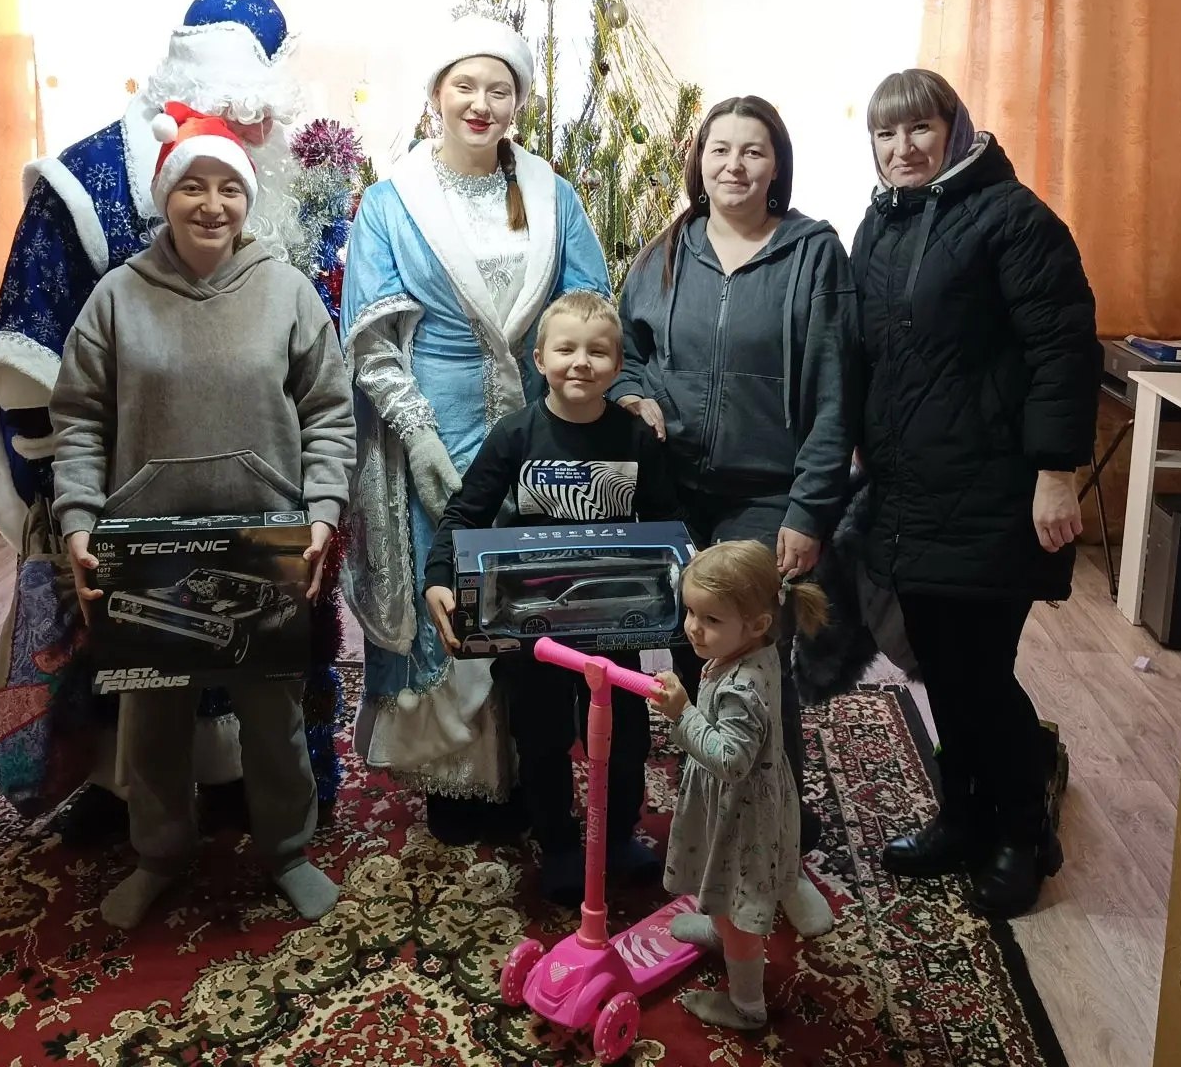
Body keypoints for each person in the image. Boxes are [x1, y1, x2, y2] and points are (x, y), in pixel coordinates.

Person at [0, 0, 317, 835]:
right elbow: (40, 366)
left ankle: (265, 816)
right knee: (142, 681)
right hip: (136, 503)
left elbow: (322, 390)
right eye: (238, 118)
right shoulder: (85, 186)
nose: (251, 141)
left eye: (260, 124)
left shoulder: (291, 219)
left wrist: (319, 497)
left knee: (265, 687)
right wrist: (66, 500)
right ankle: (133, 811)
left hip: (262, 503)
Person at [51, 103, 356, 929]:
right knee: (152, 722)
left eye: (229, 187)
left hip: (265, 543)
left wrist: (322, 511)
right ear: (167, 197)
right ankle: (159, 855)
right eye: (194, 187)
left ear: (247, 199)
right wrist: (78, 519)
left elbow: (329, 414)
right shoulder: (117, 298)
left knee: (273, 716)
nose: (212, 204)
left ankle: (287, 851)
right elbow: (78, 420)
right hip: (146, 550)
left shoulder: (287, 292)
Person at [339, 13, 610, 842]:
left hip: (542, 422)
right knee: (449, 585)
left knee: (536, 589)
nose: (480, 103)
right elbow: (371, 337)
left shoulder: (554, 194)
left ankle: (534, 769)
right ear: (436, 94)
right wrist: (418, 435)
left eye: (499, 88)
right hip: (435, 423)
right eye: (465, 85)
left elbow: (589, 301)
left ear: (519, 100)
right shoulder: (391, 202)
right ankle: (457, 780)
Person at [851, 68, 1099, 919]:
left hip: (995, 490)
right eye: (886, 134)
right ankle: (961, 817)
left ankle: (1023, 834)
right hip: (911, 491)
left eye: (919, 128)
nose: (902, 147)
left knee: (982, 673)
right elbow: (873, 352)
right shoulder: (881, 224)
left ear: (954, 129)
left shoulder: (1013, 218)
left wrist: (1057, 470)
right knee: (941, 669)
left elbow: (1063, 348)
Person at [614, 95, 860, 849]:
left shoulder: (814, 254)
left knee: (751, 654)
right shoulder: (666, 251)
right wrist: (634, 394)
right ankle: (713, 802)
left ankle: (776, 821)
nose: (735, 165)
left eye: (753, 150)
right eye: (720, 149)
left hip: (768, 491)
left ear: (777, 164)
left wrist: (809, 509)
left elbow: (835, 391)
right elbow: (626, 353)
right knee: (694, 645)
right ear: (700, 161)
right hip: (674, 488)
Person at [422, 289, 678, 901]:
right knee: (540, 737)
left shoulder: (636, 439)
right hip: (531, 627)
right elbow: (464, 513)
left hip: (615, 622)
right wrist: (437, 576)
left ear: (618, 365)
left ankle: (618, 835)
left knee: (626, 737)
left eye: (597, 352)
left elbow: (667, 525)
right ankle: (558, 842)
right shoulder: (515, 434)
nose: (580, 363)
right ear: (539, 359)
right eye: (565, 349)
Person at [648, 540, 832, 1030]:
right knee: (722, 890)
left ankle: (746, 1007)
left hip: (741, 812)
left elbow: (730, 760)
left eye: (710, 619)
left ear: (756, 624)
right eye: (691, 612)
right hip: (740, 802)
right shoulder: (753, 650)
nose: (693, 627)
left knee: (738, 911)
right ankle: (719, 929)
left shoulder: (741, 687)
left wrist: (683, 714)